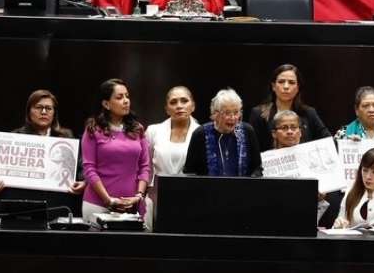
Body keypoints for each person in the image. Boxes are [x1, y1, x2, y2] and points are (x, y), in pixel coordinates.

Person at [81, 79, 151, 223]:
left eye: (127, 96)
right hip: (98, 205)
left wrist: (139, 196)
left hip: (132, 206)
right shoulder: (93, 130)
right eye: (119, 97)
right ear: (106, 104)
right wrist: (108, 200)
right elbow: (89, 169)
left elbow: (145, 166)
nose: (126, 101)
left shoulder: (137, 129)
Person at [144, 86, 200, 227]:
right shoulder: (153, 131)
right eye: (173, 102)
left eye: (184, 101)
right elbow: (146, 168)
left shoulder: (202, 133)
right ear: (167, 109)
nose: (179, 106)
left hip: (190, 199)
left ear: (193, 106)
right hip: (156, 199)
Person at [270, 109, 336, 225]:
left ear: (300, 132)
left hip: (309, 220)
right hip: (276, 219)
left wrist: (320, 198)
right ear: (274, 133)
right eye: (284, 128)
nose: (290, 131)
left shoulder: (316, 159)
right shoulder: (267, 163)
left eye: (294, 127)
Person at [248, 64, 329, 152]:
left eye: (291, 82)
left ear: (298, 88)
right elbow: (252, 150)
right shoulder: (258, 114)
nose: (286, 86)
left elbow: (327, 141)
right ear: (273, 86)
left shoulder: (309, 113)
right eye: (281, 81)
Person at [184, 88, 263, 177]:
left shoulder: (248, 131)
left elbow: (257, 168)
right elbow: (189, 172)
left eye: (236, 112)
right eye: (227, 113)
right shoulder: (200, 134)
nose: (233, 117)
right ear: (215, 114)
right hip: (208, 190)